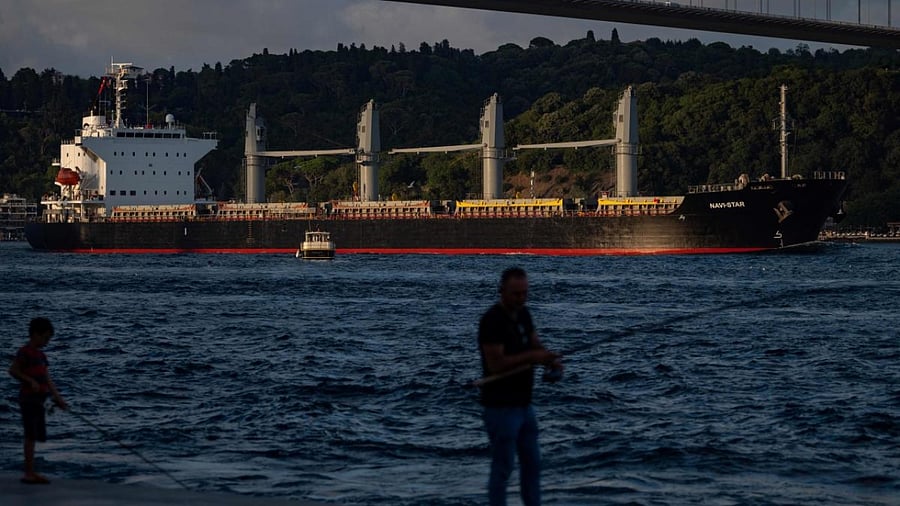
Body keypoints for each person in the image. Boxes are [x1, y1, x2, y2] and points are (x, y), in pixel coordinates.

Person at [478, 267, 563, 506]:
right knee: (503, 468)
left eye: (524, 293)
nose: (521, 298)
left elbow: (535, 345)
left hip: (524, 406)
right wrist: (533, 358)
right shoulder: (492, 320)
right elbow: (496, 365)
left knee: (533, 466)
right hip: (501, 408)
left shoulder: (524, 315)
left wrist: (549, 358)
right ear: (502, 291)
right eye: (516, 294)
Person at [8, 317, 67, 485]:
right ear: (35, 335)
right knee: (30, 435)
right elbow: (13, 371)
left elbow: (47, 379)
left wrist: (58, 398)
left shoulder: (41, 355)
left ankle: (32, 470)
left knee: (36, 434)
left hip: (40, 399)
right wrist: (29, 380)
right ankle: (29, 473)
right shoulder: (24, 352)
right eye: (45, 338)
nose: (47, 342)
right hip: (28, 398)